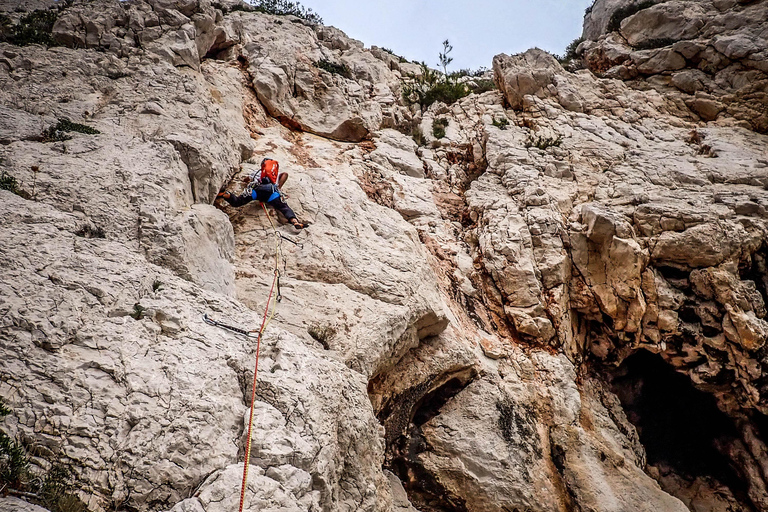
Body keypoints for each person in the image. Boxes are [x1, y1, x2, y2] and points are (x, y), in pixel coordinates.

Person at [217, 158, 308, 230]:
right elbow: (285, 174)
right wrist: (279, 187)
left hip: (256, 191)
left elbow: (246, 179)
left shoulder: (257, 172)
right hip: (272, 193)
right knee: (284, 208)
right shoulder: (275, 174)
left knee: (237, 202)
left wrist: (244, 180)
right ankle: (295, 221)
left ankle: (226, 194)